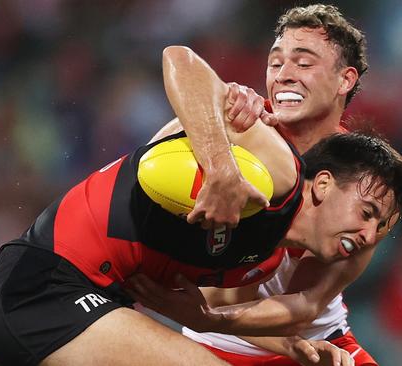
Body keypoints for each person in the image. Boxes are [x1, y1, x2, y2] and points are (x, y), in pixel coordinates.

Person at [0, 36, 402, 366]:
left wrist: (290, 346)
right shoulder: (276, 173)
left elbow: (185, 301)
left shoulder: (259, 259)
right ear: (321, 186)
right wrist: (221, 164)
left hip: (90, 299)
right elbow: (180, 60)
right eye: (366, 214)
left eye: (378, 225)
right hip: (39, 288)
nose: (368, 235)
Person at [130, 4, 386, 365]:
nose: (284, 75)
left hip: (317, 341)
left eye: (304, 63)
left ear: (345, 80)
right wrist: (218, 124)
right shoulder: (230, 129)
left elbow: (306, 305)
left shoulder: (367, 186)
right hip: (215, 339)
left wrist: (296, 346)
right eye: (276, 62)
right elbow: (208, 291)